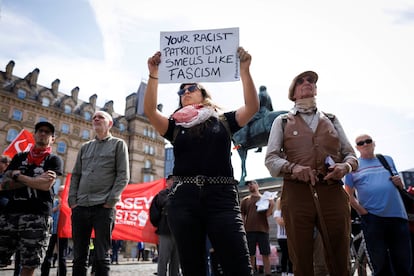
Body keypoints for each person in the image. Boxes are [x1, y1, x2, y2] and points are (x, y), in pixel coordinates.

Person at [144, 47, 259, 276]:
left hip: (222, 198)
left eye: (191, 88)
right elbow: (149, 111)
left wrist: (245, 70)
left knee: (238, 266)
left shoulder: (224, 120)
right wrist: (153, 74)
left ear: (203, 93)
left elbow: (253, 107)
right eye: (181, 89)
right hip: (184, 201)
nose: (185, 91)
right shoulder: (175, 125)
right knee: (192, 268)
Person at [265, 71, 358, 276]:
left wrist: (345, 167)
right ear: (293, 92)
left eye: (312, 81)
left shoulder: (332, 119)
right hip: (296, 193)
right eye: (301, 81)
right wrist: (293, 168)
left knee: (339, 255)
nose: (307, 83)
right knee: (301, 257)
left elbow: (350, 154)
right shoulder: (282, 121)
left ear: (315, 89)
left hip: (332, 191)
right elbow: (271, 160)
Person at [68, 110, 130, 276]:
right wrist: (73, 200)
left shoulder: (118, 144)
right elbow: (76, 175)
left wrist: (111, 201)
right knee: (79, 257)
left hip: (104, 207)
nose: (95, 119)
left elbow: (123, 175)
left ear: (110, 123)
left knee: (102, 256)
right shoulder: (84, 147)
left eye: (100, 117)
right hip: (80, 206)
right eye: (93, 117)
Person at [0, 121, 63, 276]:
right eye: (40, 131)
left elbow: (45, 186)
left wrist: (18, 176)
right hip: (10, 214)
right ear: (34, 134)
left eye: (47, 132)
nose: (43, 134)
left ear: (52, 139)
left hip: (38, 216)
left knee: (29, 265)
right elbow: (4, 184)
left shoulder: (54, 160)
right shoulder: (19, 157)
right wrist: (35, 179)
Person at [344, 134, 412, 275]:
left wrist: (400, 184)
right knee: (380, 264)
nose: (365, 144)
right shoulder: (354, 167)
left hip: (398, 217)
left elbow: (399, 185)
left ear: (374, 143)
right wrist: (363, 212)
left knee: (403, 263)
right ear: (357, 147)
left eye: (368, 141)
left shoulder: (387, 160)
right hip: (373, 219)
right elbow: (348, 195)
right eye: (361, 143)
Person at [240, 180, 275, 276]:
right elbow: (242, 214)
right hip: (249, 230)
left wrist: (271, 204)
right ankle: (251, 273)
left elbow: (268, 214)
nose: (250, 185)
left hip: (263, 230)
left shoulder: (265, 199)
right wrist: (242, 226)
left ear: (257, 185)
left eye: (252, 183)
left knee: (266, 253)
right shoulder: (245, 200)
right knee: (250, 254)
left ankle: (268, 273)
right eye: (249, 185)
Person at [149, 175, 180, 276]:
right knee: (163, 259)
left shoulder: (180, 194)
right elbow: (164, 205)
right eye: (172, 180)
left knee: (176, 261)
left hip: (178, 232)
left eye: (175, 180)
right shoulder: (162, 194)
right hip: (165, 230)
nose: (173, 182)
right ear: (167, 183)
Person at [41, 185, 69, 276]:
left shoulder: (68, 204)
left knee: (62, 256)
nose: (60, 193)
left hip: (62, 233)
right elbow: (48, 212)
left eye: (62, 191)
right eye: (60, 191)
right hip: (52, 231)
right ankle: (44, 273)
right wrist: (57, 208)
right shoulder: (54, 202)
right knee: (48, 254)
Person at [273, 197, 293, 276]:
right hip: (282, 237)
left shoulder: (290, 210)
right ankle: (284, 272)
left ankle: (291, 272)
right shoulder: (277, 212)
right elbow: (281, 222)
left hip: (291, 236)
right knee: (285, 255)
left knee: (291, 255)